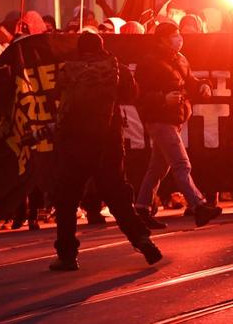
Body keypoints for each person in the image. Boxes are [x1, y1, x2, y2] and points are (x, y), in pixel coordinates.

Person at [48, 32, 162, 271]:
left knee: (67, 200)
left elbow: (55, 99)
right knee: (118, 197)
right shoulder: (116, 67)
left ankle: (67, 255)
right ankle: (142, 240)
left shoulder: (68, 69)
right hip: (108, 140)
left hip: (74, 141)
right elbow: (131, 95)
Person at [133, 22, 222, 229]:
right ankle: (199, 205)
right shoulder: (149, 63)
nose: (179, 38)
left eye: (179, 34)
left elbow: (190, 80)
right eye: (174, 35)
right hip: (159, 120)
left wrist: (203, 85)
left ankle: (141, 208)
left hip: (175, 119)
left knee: (157, 168)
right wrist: (163, 98)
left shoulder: (180, 59)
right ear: (162, 39)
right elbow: (139, 95)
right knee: (182, 164)